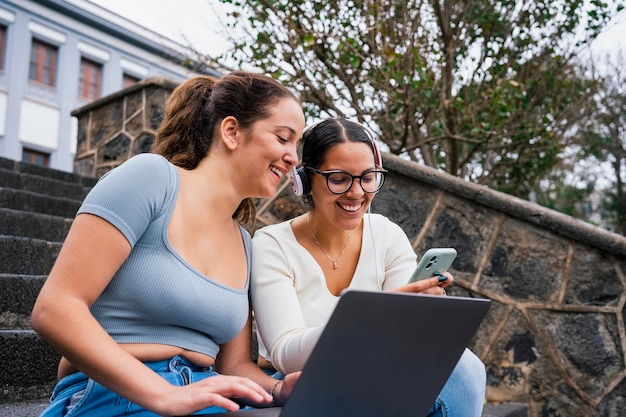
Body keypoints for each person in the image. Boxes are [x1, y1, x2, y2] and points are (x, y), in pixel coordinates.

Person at [31, 71, 305, 417]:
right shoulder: (151, 178)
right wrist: (164, 394)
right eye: (284, 138)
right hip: (112, 394)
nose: (293, 157)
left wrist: (280, 389)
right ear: (232, 132)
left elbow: (234, 365)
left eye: (296, 145)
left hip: (206, 396)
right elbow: (55, 308)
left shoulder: (246, 244)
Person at [250, 118, 487, 416]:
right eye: (339, 178)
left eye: (368, 177)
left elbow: (404, 344)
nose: (357, 193)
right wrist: (364, 319)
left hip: (378, 376)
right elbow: (286, 356)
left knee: (464, 367)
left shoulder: (387, 235)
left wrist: (424, 313)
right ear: (305, 181)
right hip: (300, 383)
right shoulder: (272, 245)